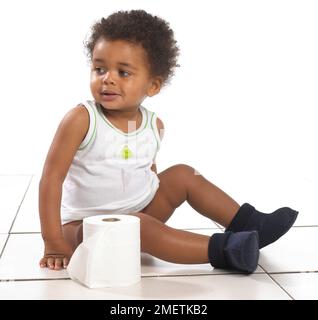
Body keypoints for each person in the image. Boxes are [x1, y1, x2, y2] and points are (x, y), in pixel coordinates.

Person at [39, 9, 298, 274]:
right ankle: (225, 249)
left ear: (153, 86)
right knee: (139, 224)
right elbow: (51, 178)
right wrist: (53, 241)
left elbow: (144, 169)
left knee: (183, 175)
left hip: (139, 215)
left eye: (123, 72)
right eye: (99, 68)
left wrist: (152, 197)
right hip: (88, 229)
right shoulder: (82, 119)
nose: (108, 78)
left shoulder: (154, 125)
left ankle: (250, 224)